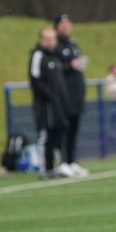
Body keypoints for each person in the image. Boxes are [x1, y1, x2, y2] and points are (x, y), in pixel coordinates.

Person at [29, 26, 70, 179]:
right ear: (41, 40)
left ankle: (56, 166)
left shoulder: (55, 57)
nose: (51, 41)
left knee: (58, 134)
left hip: (58, 104)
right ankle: (44, 168)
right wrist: (50, 95)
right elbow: (35, 79)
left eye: (53, 38)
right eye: (47, 39)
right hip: (45, 105)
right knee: (45, 134)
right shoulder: (38, 55)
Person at [54, 13, 89, 176]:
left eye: (68, 23)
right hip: (64, 95)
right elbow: (55, 68)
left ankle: (72, 161)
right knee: (63, 131)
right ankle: (62, 162)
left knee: (74, 130)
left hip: (76, 95)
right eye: (62, 24)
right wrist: (70, 66)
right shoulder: (56, 45)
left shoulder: (73, 43)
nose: (66, 26)